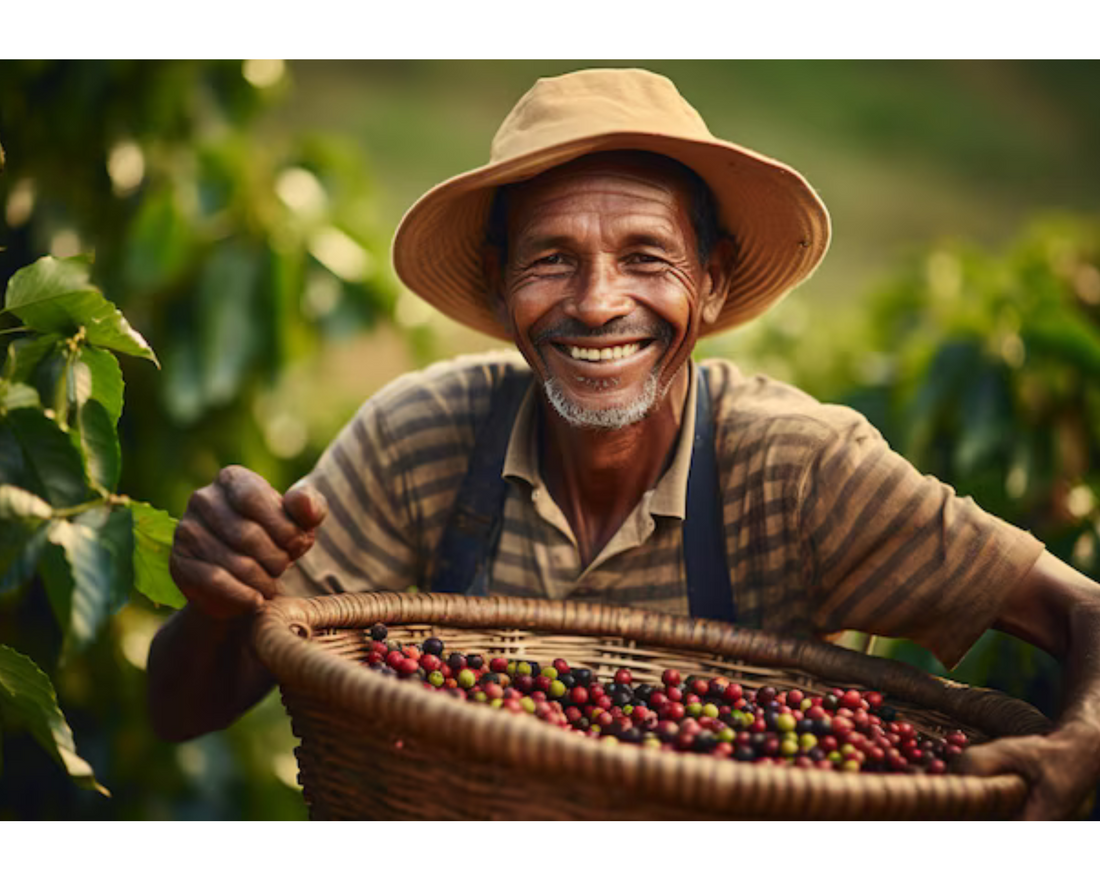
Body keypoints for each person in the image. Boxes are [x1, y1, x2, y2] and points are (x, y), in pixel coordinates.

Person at [147, 68, 1100, 819]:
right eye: (552, 258)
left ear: (713, 282)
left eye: (646, 256)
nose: (598, 303)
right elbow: (182, 710)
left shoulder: (801, 469)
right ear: (500, 284)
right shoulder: (419, 439)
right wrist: (220, 603)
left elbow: (1082, 614)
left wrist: (1080, 740)